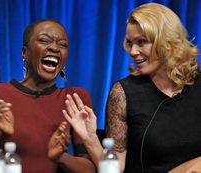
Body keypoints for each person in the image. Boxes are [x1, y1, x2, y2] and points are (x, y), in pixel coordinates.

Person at [62, 3, 201, 173]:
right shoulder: (123, 93)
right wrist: (90, 138)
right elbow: (116, 169)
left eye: (142, 42)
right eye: (130, 43)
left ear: (167, 41)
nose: (133, 51)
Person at [0, 19, 95, 173]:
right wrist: (1, 138)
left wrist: (60, 157)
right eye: (44, 40)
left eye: (62, 45)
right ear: (25, 53)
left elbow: (91, 169)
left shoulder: (75, 98)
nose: (55, 48)